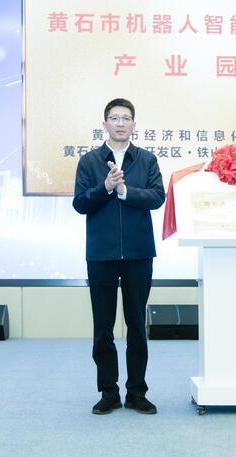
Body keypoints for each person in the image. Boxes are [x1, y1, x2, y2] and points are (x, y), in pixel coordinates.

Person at [72, 98, 165, 415]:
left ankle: (137, 392)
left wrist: (125, 191)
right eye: (115, 118)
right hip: (101, 254)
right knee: (103, 326)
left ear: (134, 124)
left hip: (139, 252)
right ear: (105, 124)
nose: (121, 123)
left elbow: (157, 197)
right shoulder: (90, 161)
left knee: (137, 324)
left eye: (126, 118)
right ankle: (108, 392)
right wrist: (106, 187)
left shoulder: (147, 159)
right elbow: (80, 203)